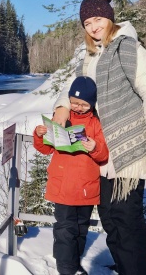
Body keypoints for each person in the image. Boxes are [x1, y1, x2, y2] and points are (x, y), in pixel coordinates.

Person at [52, 0, 146, 275]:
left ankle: (136, 269)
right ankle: (124, 265)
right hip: (101, 151)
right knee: (109, 216)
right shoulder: (92, 55)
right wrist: (61, 105)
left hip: (127, 149)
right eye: (87, 23)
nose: (94, 27)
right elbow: (75, 84)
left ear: (108, 18)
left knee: (126, 218)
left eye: (98, 19)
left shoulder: (129, 48)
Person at [34, 76, 109, 275]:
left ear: (92, 104)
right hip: (63, 187)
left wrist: (94, 147)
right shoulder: (61, 120)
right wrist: (39, 135)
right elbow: (45, 149)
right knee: (65, 229)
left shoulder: (96, 124)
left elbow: (103, 155)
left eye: (84, 104)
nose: (78, 107)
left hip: (86, 188)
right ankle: (66, 269)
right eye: (74, 103)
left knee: (81, 228)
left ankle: (73, 262)